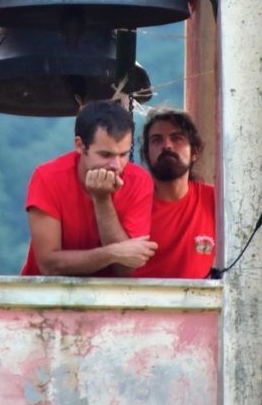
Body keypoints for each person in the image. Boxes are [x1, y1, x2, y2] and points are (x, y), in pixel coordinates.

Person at [21, 99, 158, 276]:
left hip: (108, 300)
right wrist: (112, 253)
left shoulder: (139, 181)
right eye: (105, 155)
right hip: (44, 297)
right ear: (80, 146)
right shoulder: (47, 177)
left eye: (123, 154)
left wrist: (102, 200)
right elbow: (49, 265)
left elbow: (125, 267)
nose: (116, 165)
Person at [132, 106, 216, 279]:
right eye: (156, 140)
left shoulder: (215, 201)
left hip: (198, 304)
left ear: (194, 152)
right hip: (137, 303)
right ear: (146, 154)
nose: (167, 146)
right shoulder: (131, 202)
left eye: (177, 138)